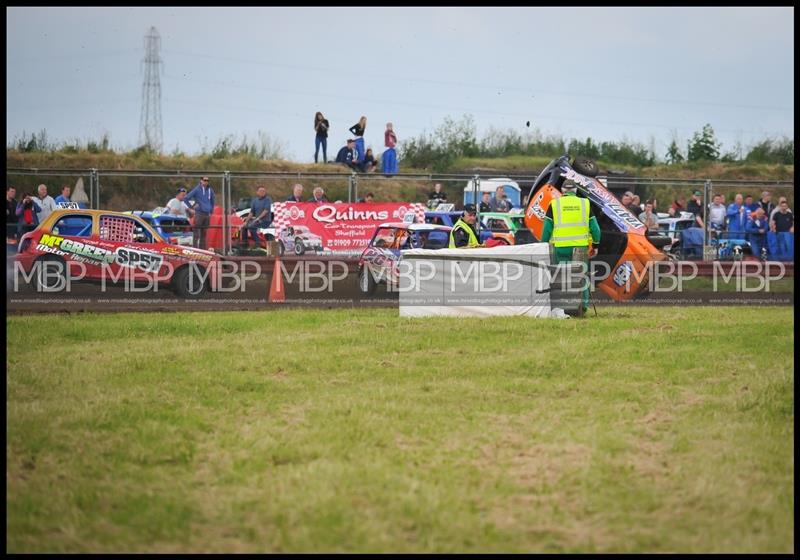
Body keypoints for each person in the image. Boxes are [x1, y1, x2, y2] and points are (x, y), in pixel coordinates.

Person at [541, 179, 601, 314]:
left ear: (562, 191)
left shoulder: (554, 204)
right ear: (575, 191)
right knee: (581, 276)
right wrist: (595, 245)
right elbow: (596, 229)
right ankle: (583, 306)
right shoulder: (585, 204)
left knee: (561, 277)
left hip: (561, 247)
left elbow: (546, 229)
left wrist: (543, 245)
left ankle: (562, 307)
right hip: (580, 248)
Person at [184, 176, 215, 249]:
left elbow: (212, 201)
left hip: (207, 214)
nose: (206, 182)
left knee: (204, 234)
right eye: (204, 180)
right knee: (196, 233)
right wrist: (192, 206)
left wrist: (211, 211)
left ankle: (202, 250)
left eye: (207, 180)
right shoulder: (197, 189)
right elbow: (186, 198)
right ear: (201, 181)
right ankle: (195, 249)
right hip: (199, 213)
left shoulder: (210, 190)